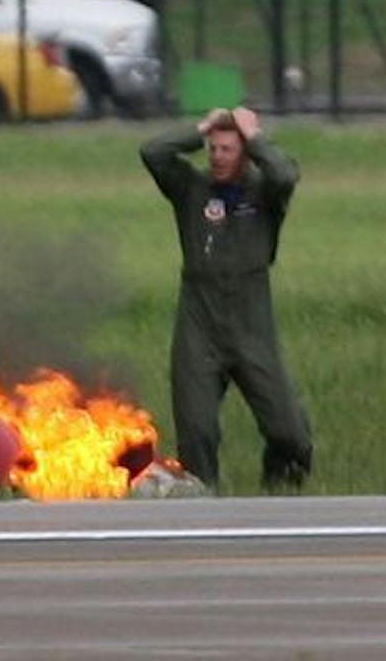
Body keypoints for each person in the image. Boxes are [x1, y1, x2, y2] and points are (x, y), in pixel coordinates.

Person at [140, 107, 312, 491]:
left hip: (251, 324)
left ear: (245, 152)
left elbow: (285, 173)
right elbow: (153, 152)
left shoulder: (264, 192)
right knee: (197, 432)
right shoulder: (191, 188)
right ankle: (203, 505)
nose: (217, 156)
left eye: (228, 149)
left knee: (289, 433)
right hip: (199, 324)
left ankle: (278, 495)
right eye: (213, 148)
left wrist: (255, 137)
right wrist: (200, 128)